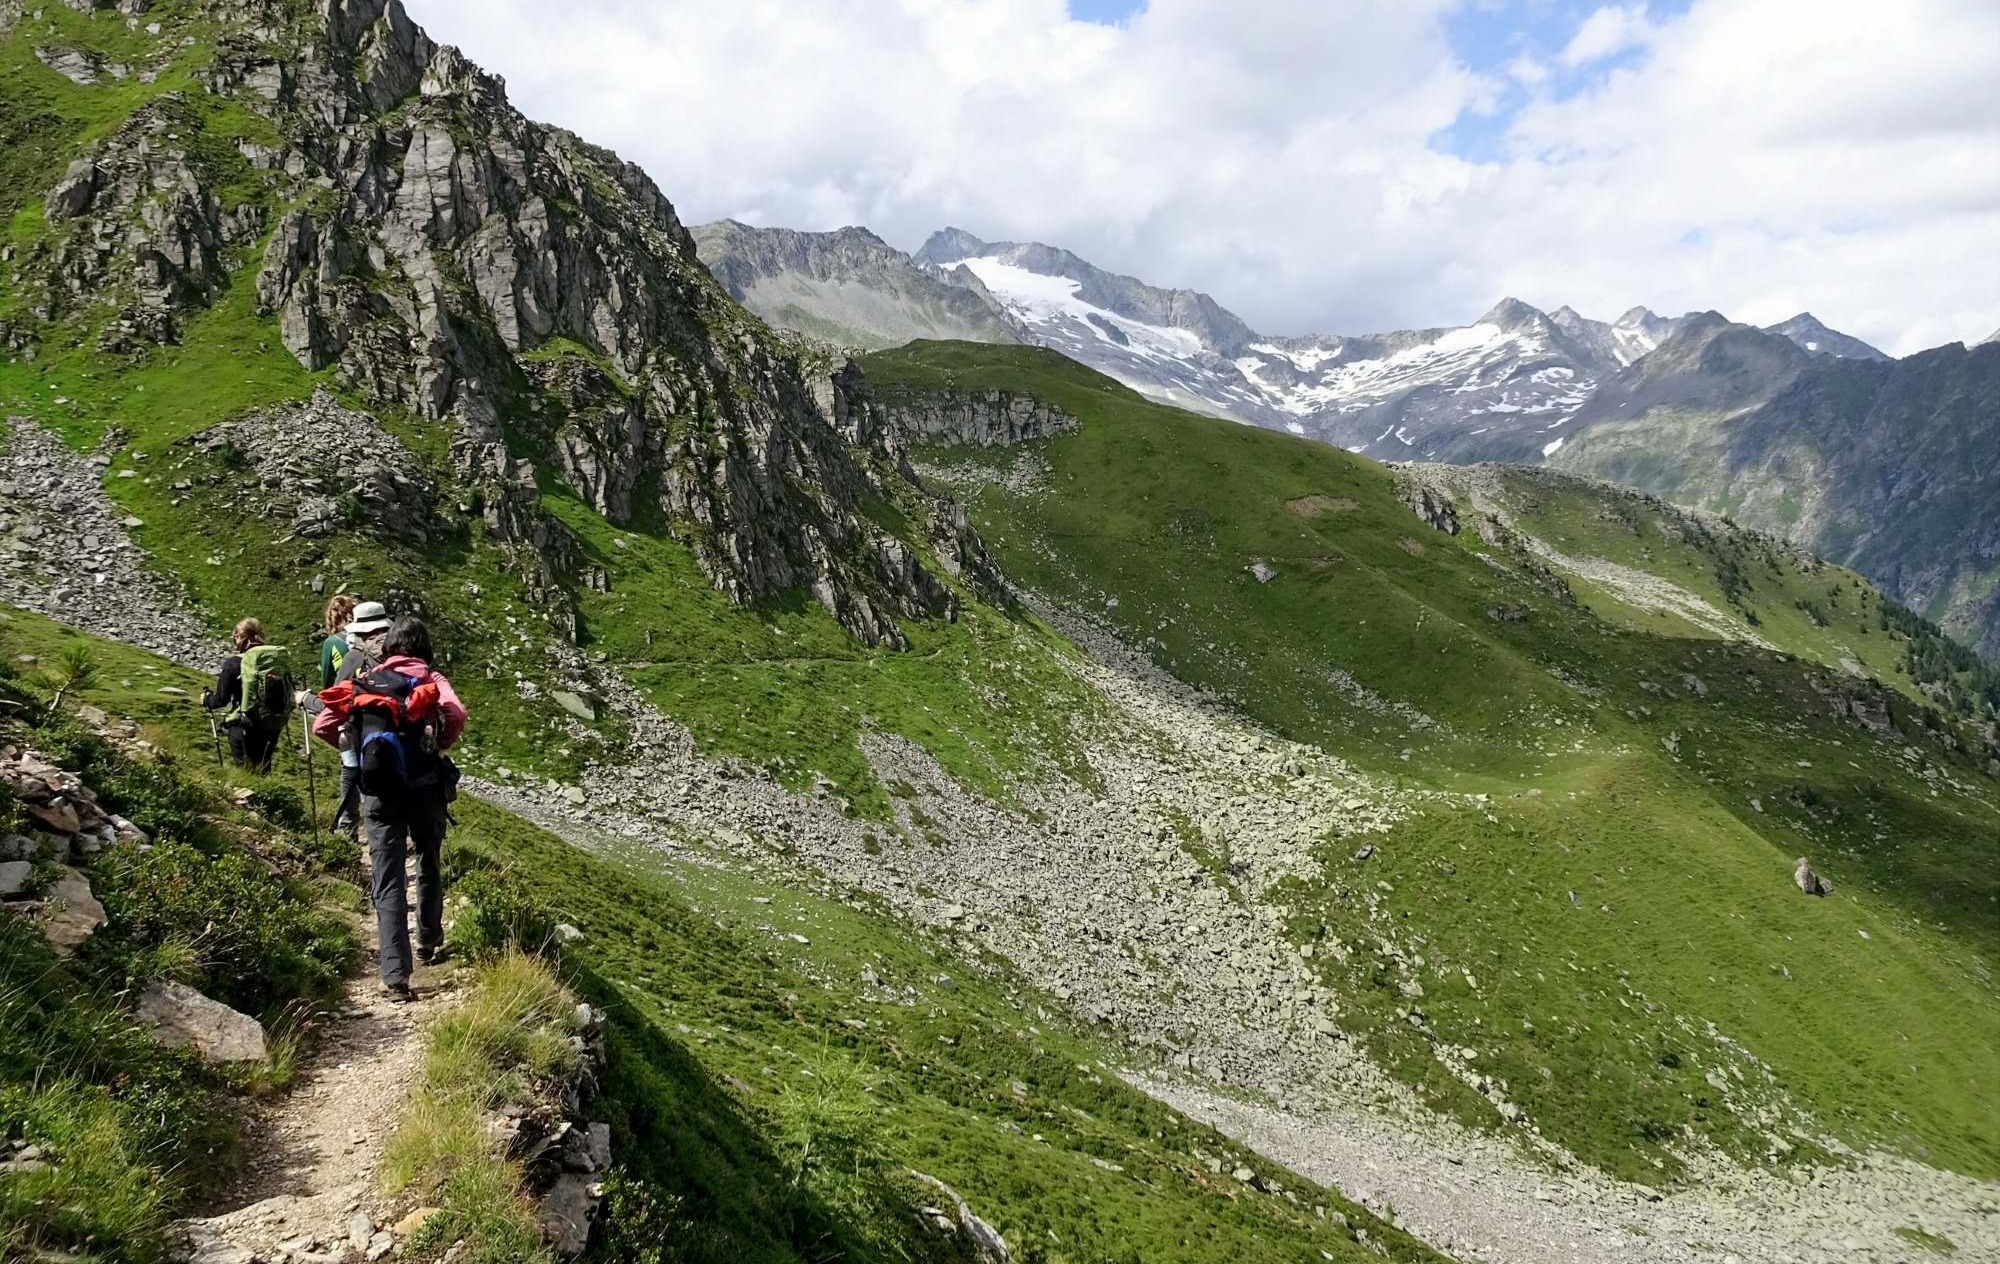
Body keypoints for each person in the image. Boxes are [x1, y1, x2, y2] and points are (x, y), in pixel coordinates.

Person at [314, 616, 465, 1001]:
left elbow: (323, 725)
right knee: (428, 859)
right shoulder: (431, 678)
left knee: (388, 876)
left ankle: (395, 975)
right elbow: (456, 714)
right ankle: (428, 939)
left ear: (389, 648)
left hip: (379, 790)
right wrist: (441, 746)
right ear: (423, 648)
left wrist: (354, 753)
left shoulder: (367, 680)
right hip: (425, 789)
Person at [202, 618, 294, 772]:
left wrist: (207, 699)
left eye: (234, 636)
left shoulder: (233, 664)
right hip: (273, 723)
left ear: (239, 636)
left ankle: (251, 793)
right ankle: (269, 793)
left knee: (245, 769)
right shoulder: (273, 661)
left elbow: (221, 700)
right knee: (264, 765)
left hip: (245, 723)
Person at [317, 595, 360, 832]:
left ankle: (347, 827)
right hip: (373, 709)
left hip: (345, 712)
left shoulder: (333, 643)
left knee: (349, 767)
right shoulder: (367, 641)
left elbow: (327, 684)